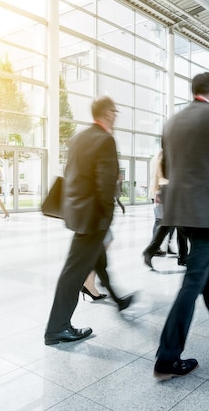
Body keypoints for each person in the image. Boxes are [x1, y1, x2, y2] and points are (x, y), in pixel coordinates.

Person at [153, 72, 209, 380]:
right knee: (193, 279)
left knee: (203, 269)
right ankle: (167, 357)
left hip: (181, 210)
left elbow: (165, 167)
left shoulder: (172, 122)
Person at [44, 97, 132, 346]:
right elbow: (105, 184)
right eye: (114, 111)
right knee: (73, 272)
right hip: (93, 218)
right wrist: (106, 217)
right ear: (107, 114)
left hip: (79, 213)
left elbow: (71, 175)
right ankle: (57, 328)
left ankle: (117, 298)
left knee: (94, 261)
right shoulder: (105, 139)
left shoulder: (78, 138)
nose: (116, 115)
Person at [143, 151, 188, 269]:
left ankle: (183, 257)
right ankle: (151, 250)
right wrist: (157, 192)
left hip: (172, 189)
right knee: (170, 224)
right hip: (170, 189)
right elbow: (158, 174)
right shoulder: (164, 154)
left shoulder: (168, 152)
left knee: (177, 225)